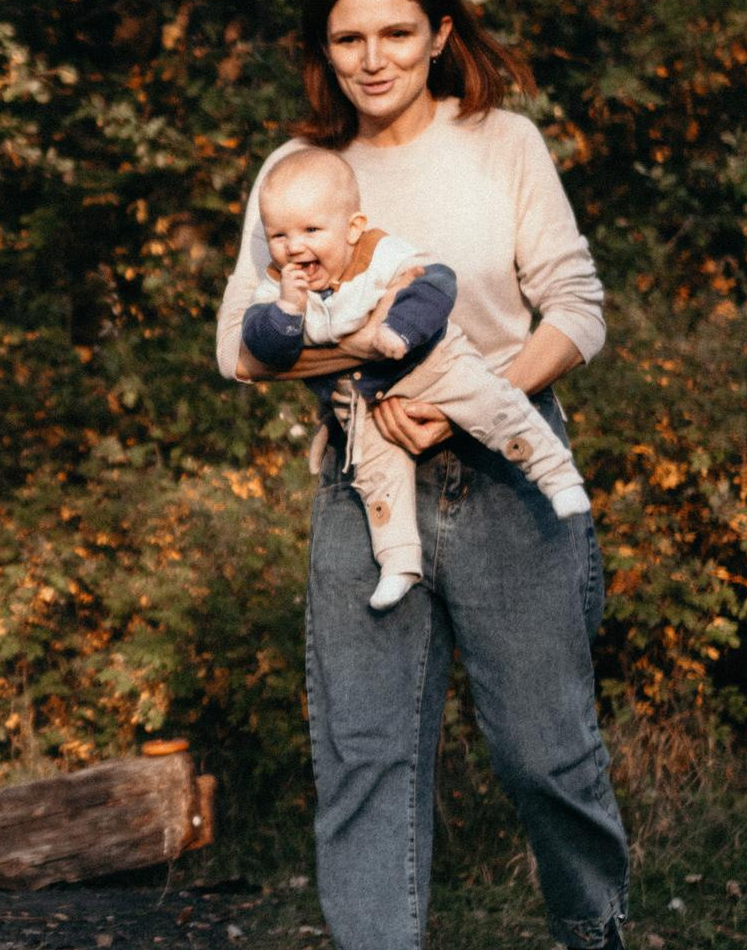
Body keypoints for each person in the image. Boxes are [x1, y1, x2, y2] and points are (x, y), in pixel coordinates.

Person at [215, 0, 649, 950]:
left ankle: (594, 941)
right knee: (363, 747)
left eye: (396, 33)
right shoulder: (298, 170)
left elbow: (577, 309)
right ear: (322, 48)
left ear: (440, 33)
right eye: (347, 37)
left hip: (504, 472)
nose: (373, 58)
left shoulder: (502, 144)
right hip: (362, 481)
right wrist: (370, 355)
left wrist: (465, 402)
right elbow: (239, 346)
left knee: (543, 750)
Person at [242, 146, 592, 612]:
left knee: (495, 406)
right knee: (377, 477)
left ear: (352, 228)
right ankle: (399, 562)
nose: (293, 246)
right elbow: (261, 349)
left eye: (311, 231)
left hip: (432, 366)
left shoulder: (378, 253)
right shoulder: (277, 286)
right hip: (363, 400)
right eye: (279, 235)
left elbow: (435, 284)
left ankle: (555, 473)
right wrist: (288, 309)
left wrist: (398, 331)